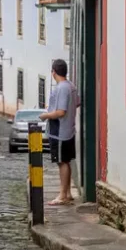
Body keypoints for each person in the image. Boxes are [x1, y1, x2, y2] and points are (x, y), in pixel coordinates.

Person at [39, 59, 77, 205]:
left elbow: (61, 112)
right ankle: (67, 193)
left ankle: (62, 195)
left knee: (62, 162)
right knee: (65, 161)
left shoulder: (62, 88)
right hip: (68, 129)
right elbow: (76, 103)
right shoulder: (71, 86)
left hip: (60, 131)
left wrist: (45, 115)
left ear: (53, 72)